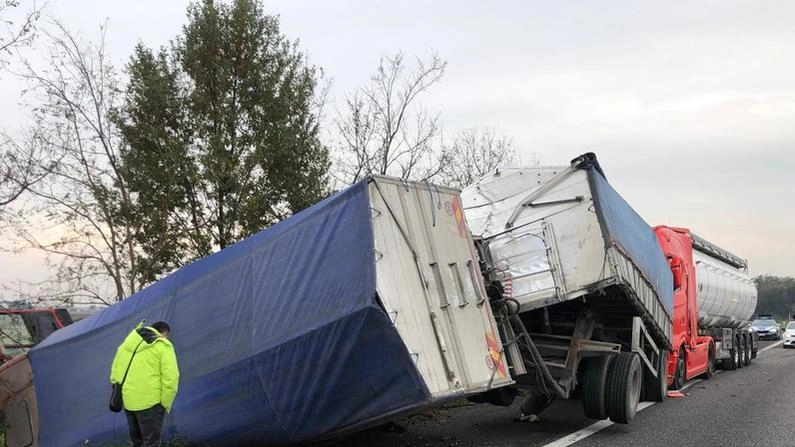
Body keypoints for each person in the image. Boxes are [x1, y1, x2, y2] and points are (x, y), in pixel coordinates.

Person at [110, 321, 180, 447]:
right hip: (151, 403)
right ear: (164, 333)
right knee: (151, 443)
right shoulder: (163, 346)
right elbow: (171, 377)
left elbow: (115, 374)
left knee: (137, 442)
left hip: (129, 402)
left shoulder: (126, 345)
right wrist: (164, 403)